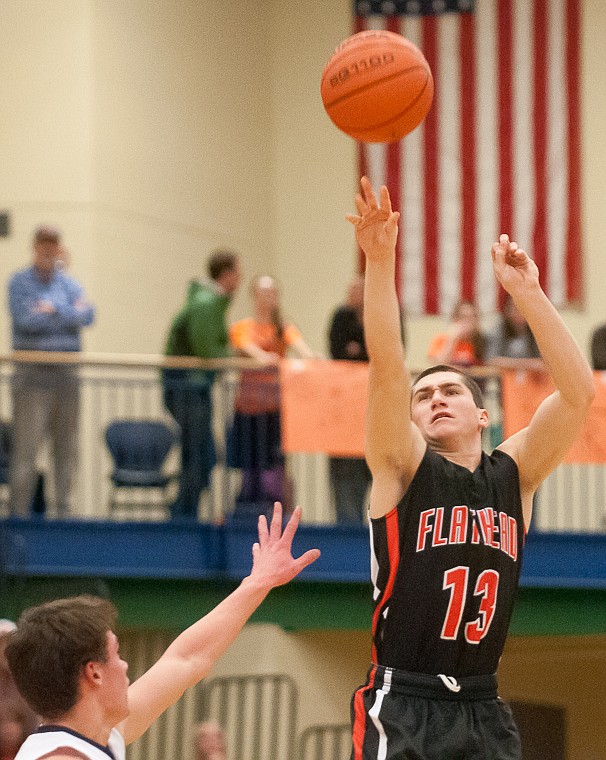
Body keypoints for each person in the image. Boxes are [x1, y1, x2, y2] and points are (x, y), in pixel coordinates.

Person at [346, 177, 594, 759]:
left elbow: (578, 392)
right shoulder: (402, 467)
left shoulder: (515, 474)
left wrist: (527, 293)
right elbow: (386, 365)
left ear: (484, 415)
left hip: (483, 705)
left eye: (450, 390)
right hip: (402, 699)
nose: (434, 398)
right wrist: (379, 261)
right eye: (423, 394)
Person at [4, 503, 319, 760]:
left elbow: (188, 658)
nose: (125, 665)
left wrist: (258, 582)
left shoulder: (96, 736)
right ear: (94, 673)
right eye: (116, 654)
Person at [8, 225, 95, 517]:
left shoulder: (69, 283)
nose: (48, 250)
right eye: (44, 244)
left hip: (67, 379)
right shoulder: (18, 282)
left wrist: (52, 308)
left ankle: (63, 514)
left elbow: (88, 315)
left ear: (59, 249)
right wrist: (67, 313)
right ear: (34, 247)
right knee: (27, 452)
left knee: (66, 451)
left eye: (53, 245)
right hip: (31, 379)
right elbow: (25, 322)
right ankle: (19, 515)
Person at [163, 250, 241, 520]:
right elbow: (208, 349)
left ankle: (183, 511)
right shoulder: (207, 304)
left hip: (189, 387)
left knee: (197, 452)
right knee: (203, 454)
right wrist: (236, 355)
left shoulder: (207, 302)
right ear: (228, 274)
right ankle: (182, 513)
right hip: (188, 387)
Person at [227, 275, 314, 518]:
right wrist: (263, 358)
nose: (269, 297)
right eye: (264, 292)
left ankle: (280, 518)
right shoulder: (243, 327)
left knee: (274, 472)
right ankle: (248, 521)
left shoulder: (283, 327)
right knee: (248, 472)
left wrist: (311, 358)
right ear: (254, 296)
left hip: (273, 411)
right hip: (247, 410)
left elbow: (301, 347)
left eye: (273, 292)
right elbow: (245, 347)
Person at [327, 274, 372, 524]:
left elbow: (388, 350)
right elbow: (337, 349)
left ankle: (372, 519)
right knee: (345, 468)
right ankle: (347, 520)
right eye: (352, 289)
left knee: (371, 465)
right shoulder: (341, 316)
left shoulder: (383, 313)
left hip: (372, 399)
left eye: (361, 290)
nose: (355, 294)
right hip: (344, 400)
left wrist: (359, 348)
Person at [0, 620, 38, 760]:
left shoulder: (25, 683)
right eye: (1, 643)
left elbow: (32, 726)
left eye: (10, 643)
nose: (5, 649)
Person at [485, 294, 544, 371]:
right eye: (515, 307)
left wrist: (509, 363)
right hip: (505, 380)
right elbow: (490, 360)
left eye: (522, 307)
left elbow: (545, 363)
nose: (519, 312)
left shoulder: (537, 330)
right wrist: (526, 364)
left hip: (532, 381)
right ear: (507, 310)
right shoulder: (498, 330)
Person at [427, 300, 485, 367]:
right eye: (464, 317)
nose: (469, 322)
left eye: (474, 317)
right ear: (455, 319)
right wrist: (453, 339)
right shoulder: (441, 339)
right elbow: (437, 366)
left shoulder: (480, 341)